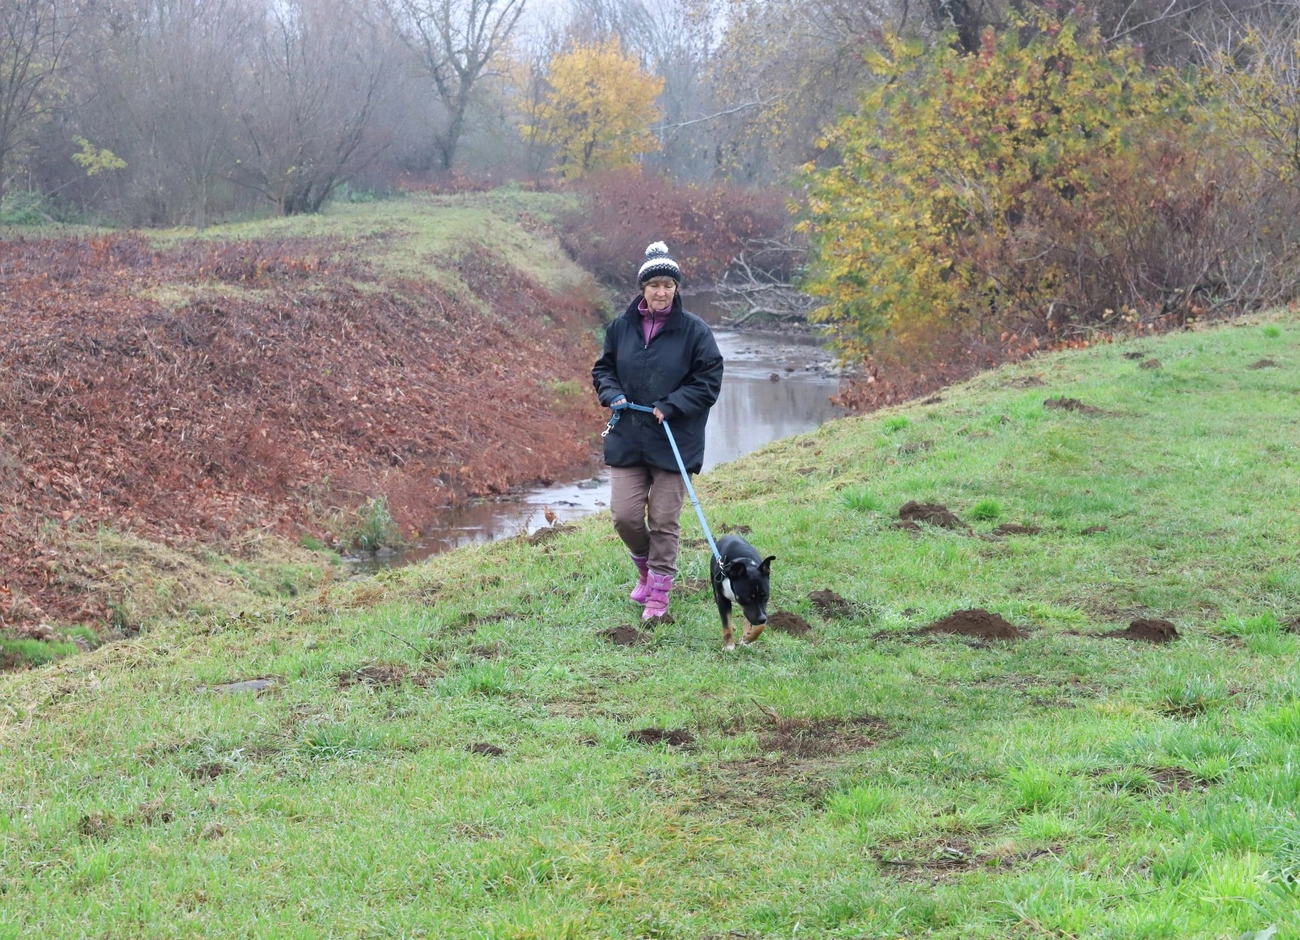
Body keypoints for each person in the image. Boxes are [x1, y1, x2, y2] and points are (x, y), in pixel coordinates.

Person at [592, 242, 724, 621]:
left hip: (675, 440)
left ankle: (659, 594)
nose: (661, 292)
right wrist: (612, 393)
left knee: (664, 520)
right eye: (654, 285)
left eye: (668, 285)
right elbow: (603, 370)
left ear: (676, 288)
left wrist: (672, 404)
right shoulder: (620, 327)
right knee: (625, 516)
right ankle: (646, 570)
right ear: (643, 288)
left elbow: (708, 381)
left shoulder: (695, 331)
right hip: (628, 436)